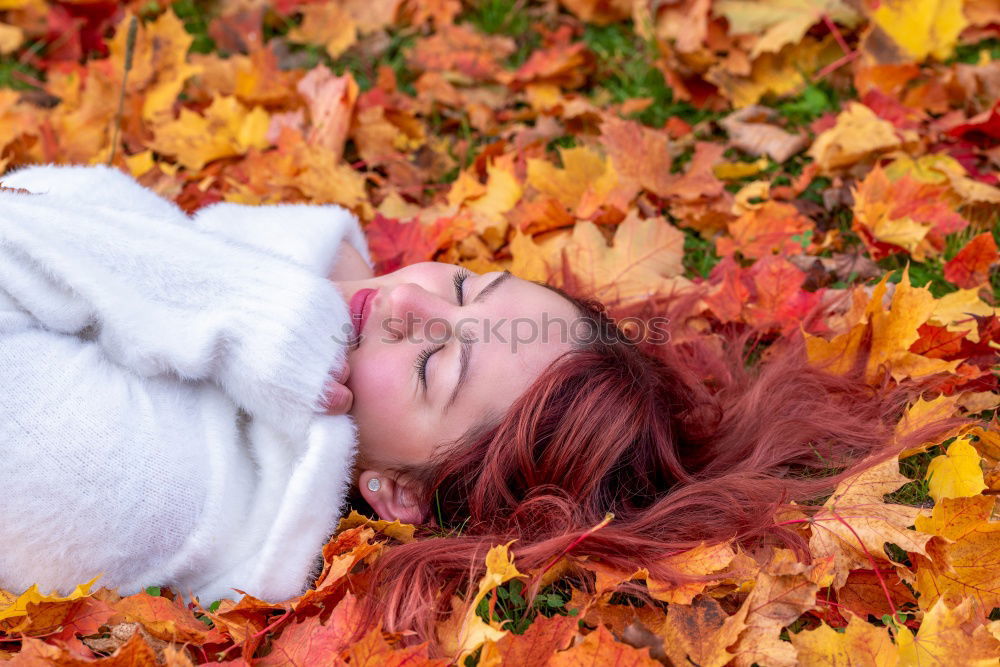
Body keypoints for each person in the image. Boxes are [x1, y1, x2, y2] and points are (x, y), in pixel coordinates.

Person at [0, 165, 958, 639]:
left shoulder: (151, 486)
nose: (409, 299)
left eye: (432, 370)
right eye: (465, 286)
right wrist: (293, 291)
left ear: (399, 497)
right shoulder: (271, 392)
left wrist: (241, 301)